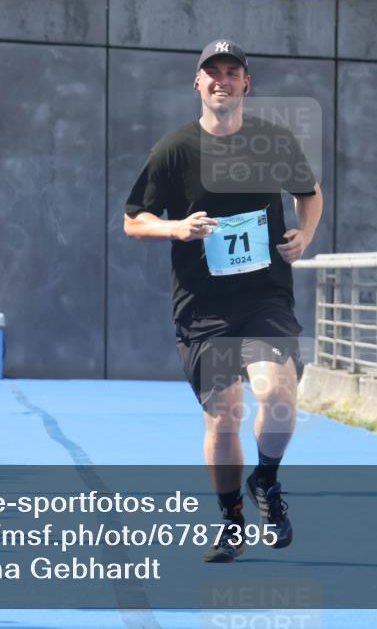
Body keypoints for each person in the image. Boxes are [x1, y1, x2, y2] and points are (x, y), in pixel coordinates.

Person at [124, 39, 323, 563]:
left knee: (279, 399)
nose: (222, 80)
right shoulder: (173, 151)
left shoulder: (273, 142)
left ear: (245, 85)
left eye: (232, 72)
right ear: (197, 83)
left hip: (265, 297)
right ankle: (232, 518)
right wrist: (176, 227)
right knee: (225, 416)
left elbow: (310, 191)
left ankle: (267, 481)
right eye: (212, 72)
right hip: (203, 308)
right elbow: (132, 220)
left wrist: (305, 233)